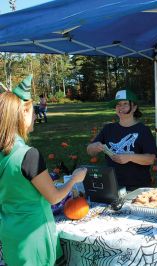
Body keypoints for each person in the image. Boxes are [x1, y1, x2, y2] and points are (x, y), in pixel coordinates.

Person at [0, 75, 87, 265]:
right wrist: (74, 179)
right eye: (33, 111)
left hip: (10, 233)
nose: (34, 116)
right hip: (35, 235)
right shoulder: (28, 155)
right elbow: (54, 197)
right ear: (23, 112)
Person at [87, 89, 157, 190]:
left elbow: (151, 159)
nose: (121, 107)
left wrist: (130, 157)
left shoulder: (143, 130)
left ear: (134, 108)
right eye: (118, 104)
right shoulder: (108, 129)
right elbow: (89, 151)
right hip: (112, 184)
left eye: (125, 104)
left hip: (137, 186)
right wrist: (94, 147)